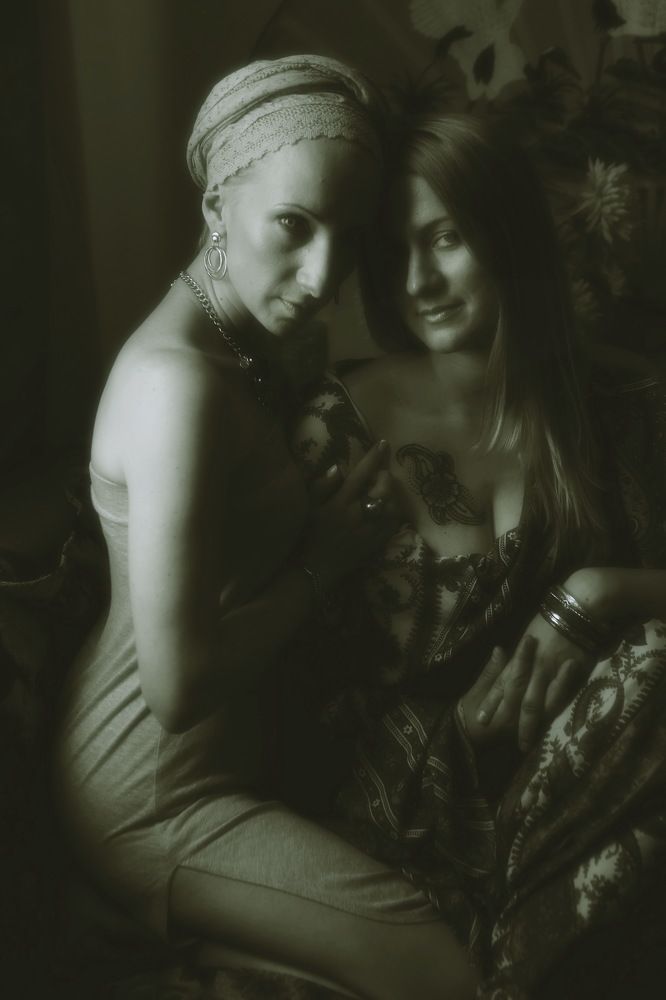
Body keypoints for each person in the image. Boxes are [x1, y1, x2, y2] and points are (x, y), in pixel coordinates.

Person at [53, 58, 478, 1000]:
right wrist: (322, 564)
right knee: (442, 972)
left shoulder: (247, 346)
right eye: (294, 224)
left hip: (227, 760)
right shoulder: (176, 388)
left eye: (347, 238)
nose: (323, 276)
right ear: (217, 205)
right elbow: (176, 688)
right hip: (154, 793)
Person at [287, 101, 666, 998]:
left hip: (590, 781)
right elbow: (291, 699)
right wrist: (455, 732)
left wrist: (599, 591)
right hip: (403, 815)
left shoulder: (619, 410)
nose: (418, 280)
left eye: (446, 238)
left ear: (507, 235)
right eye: (395, 252)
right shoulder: (337, 430)